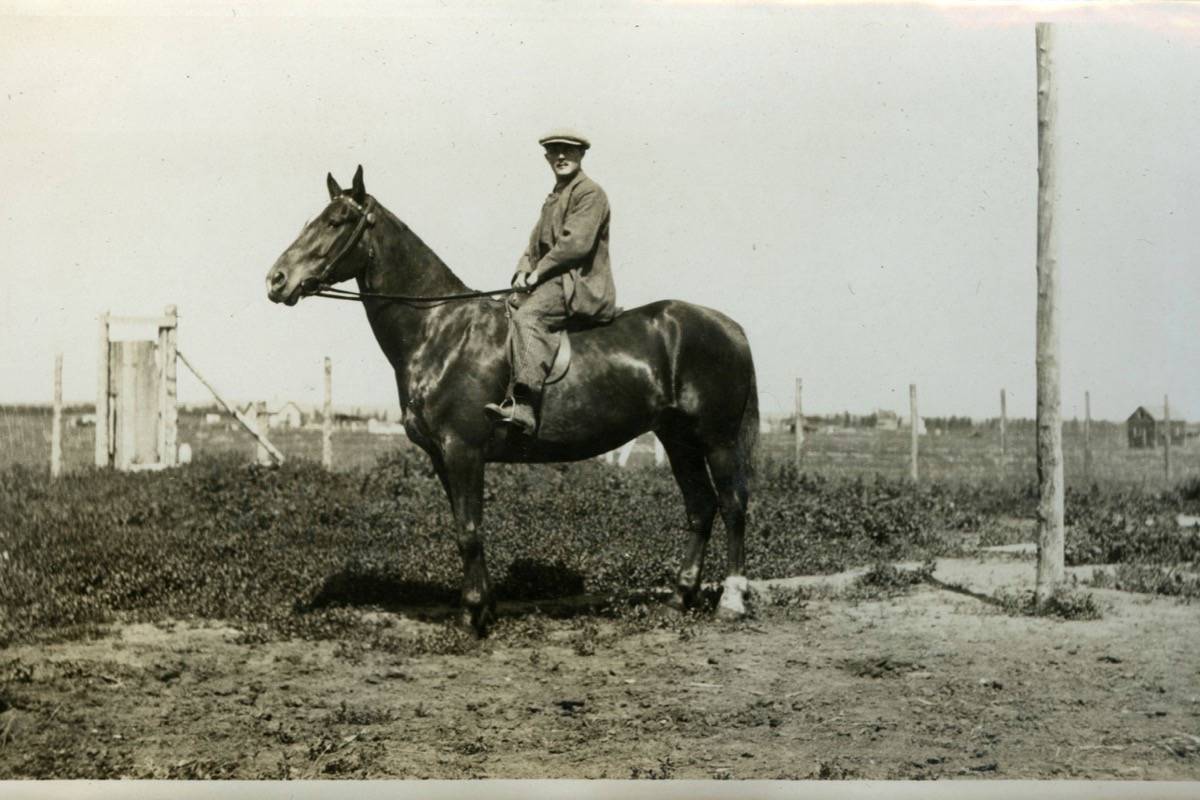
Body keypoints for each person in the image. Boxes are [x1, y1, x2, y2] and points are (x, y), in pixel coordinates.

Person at [485, 129, 618, 434]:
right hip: (552, 282)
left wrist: (538, 272)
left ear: (581, 155)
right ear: (547, 157)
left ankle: (525, 406)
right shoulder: (554, 198)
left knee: (529, 317)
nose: (561, 157)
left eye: (568, 151)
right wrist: (522, 270)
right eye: (554, 151)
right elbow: (534, 245)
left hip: (578, 285)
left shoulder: (590, 193)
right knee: (501, 309)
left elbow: (575, 244)